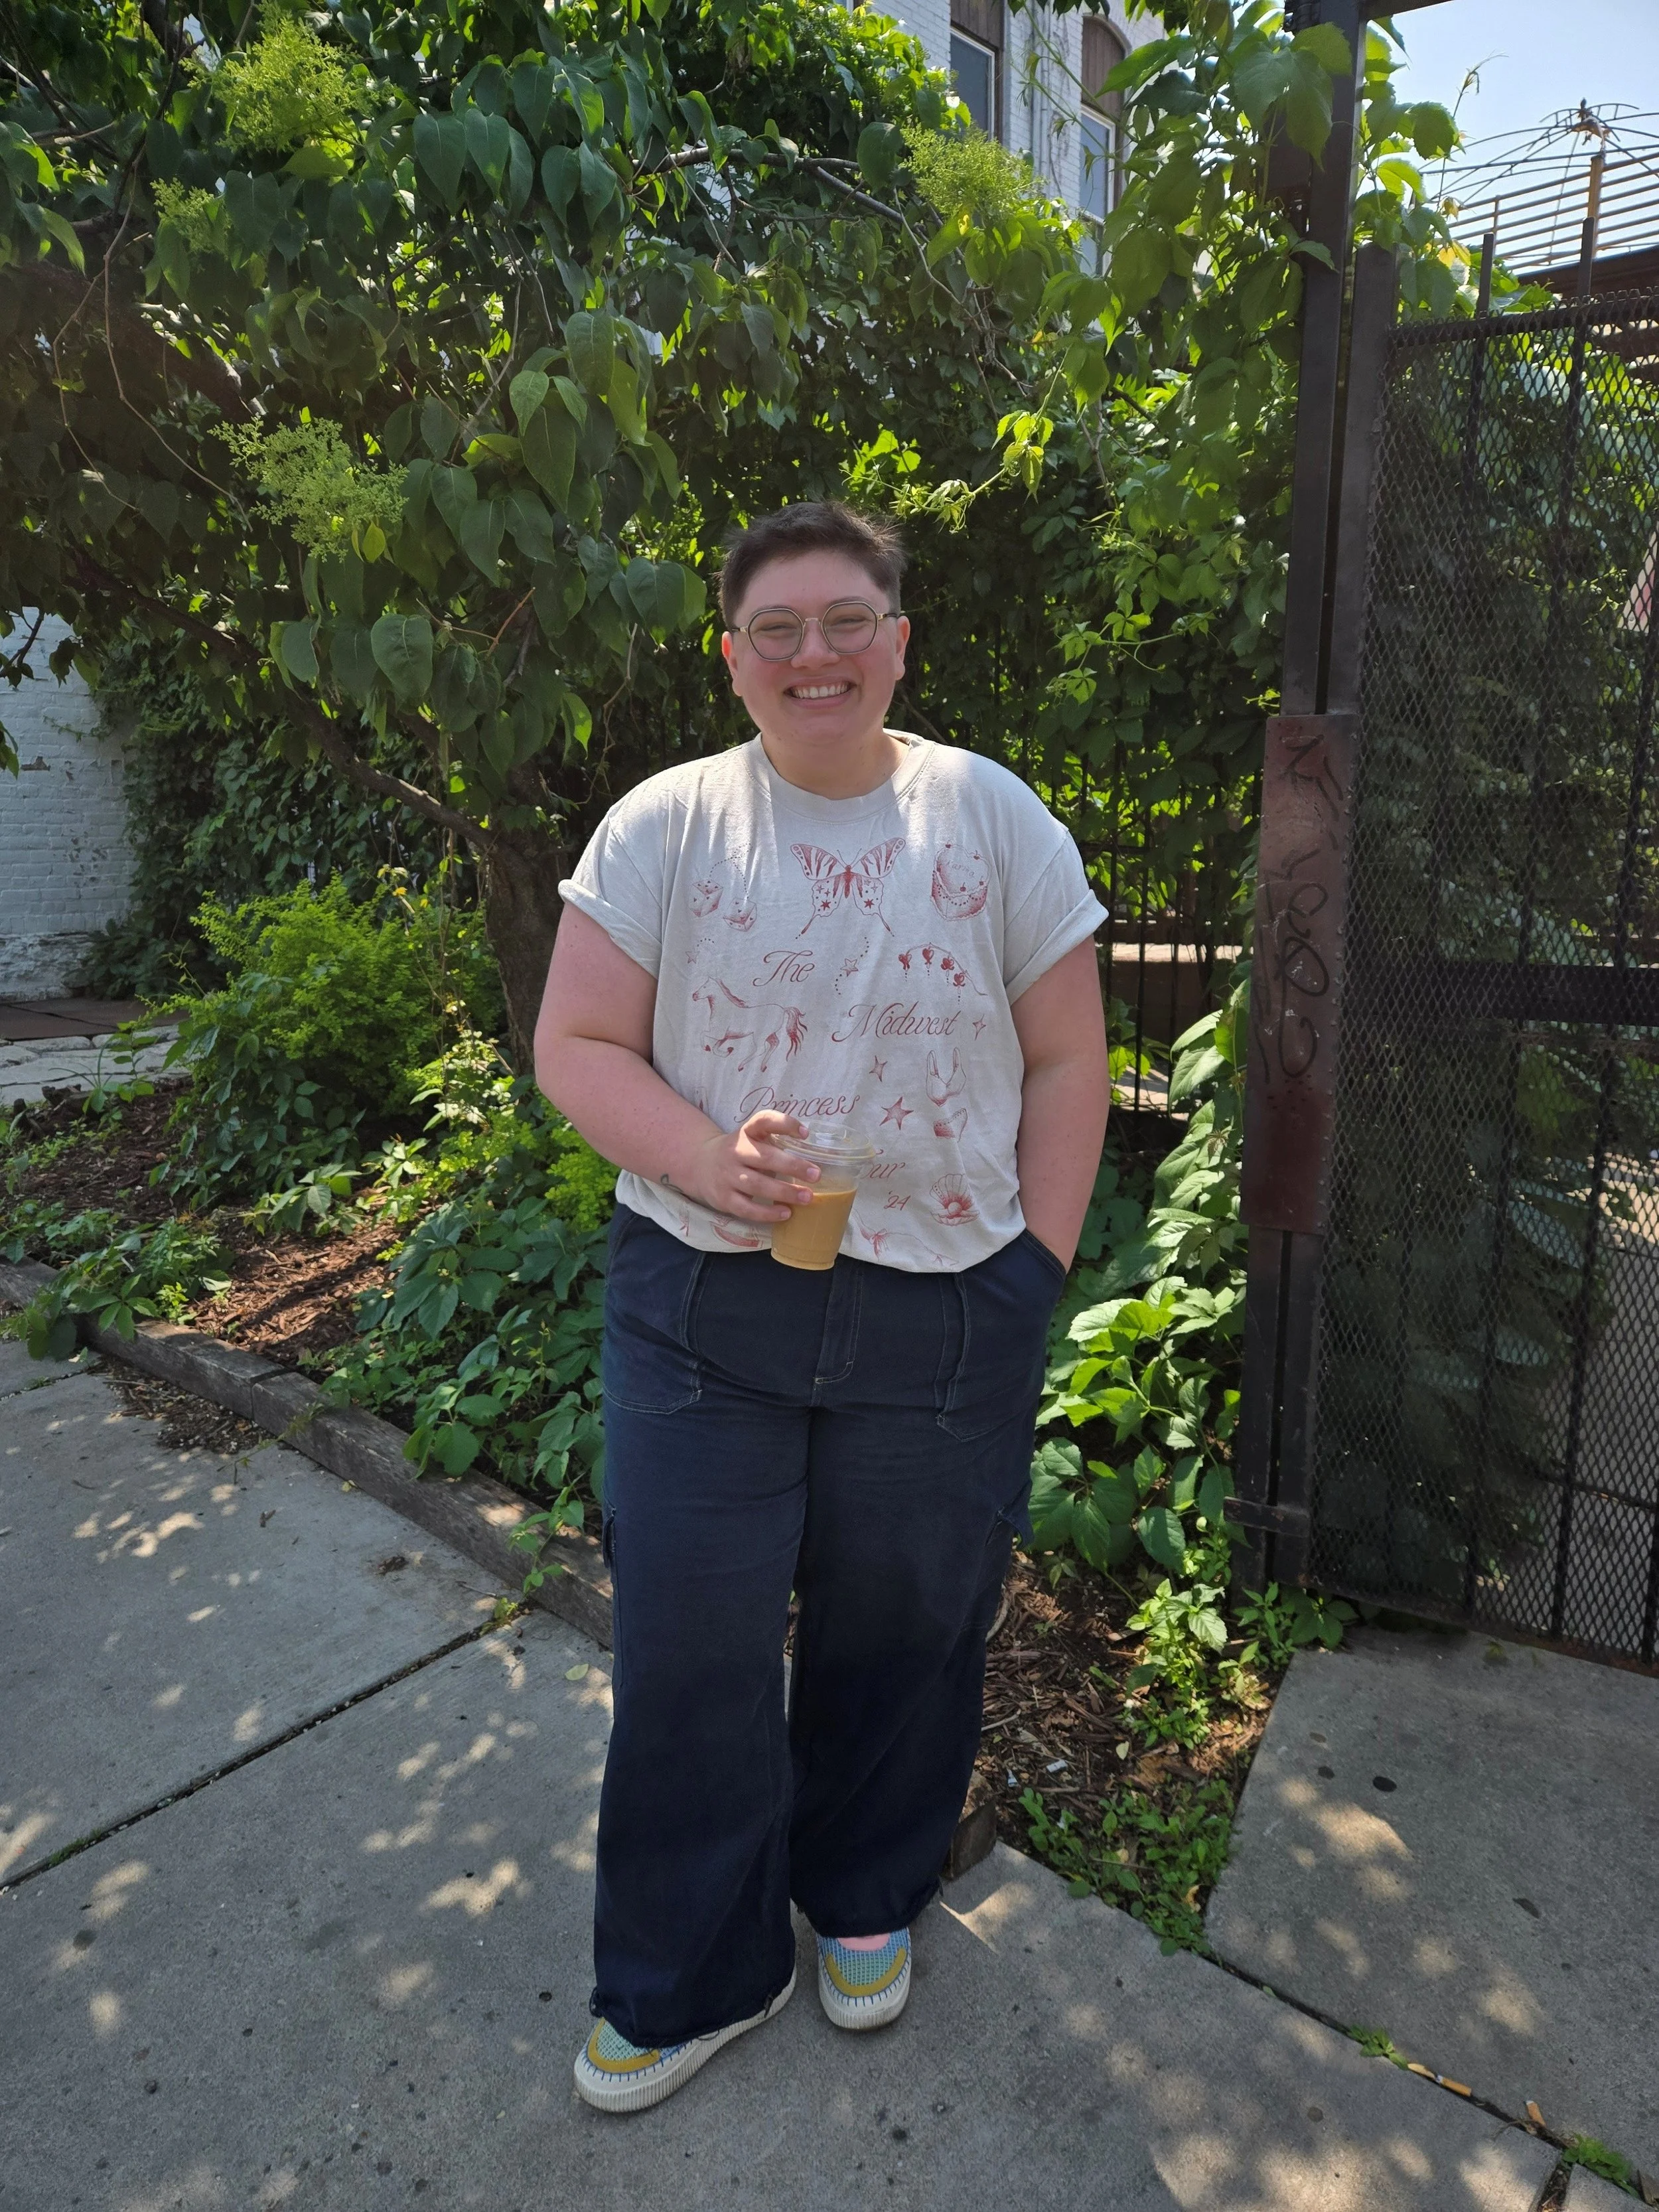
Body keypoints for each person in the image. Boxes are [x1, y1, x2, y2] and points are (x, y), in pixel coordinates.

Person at [534, 500, 1110, 2114]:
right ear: (731, 659)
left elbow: (1070, 1058)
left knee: (908, 1625)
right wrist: (704, 1161)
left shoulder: (992, 819)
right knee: (690, 1642)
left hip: (945, 1303)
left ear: (897, 641)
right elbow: (575, 1046)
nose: (813, 653)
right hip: (699, 1302)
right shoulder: (665, 826)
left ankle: (863, 1890)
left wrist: (1033, 1269)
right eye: (776, 629)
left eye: (845, 620)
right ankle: (688, 1971)